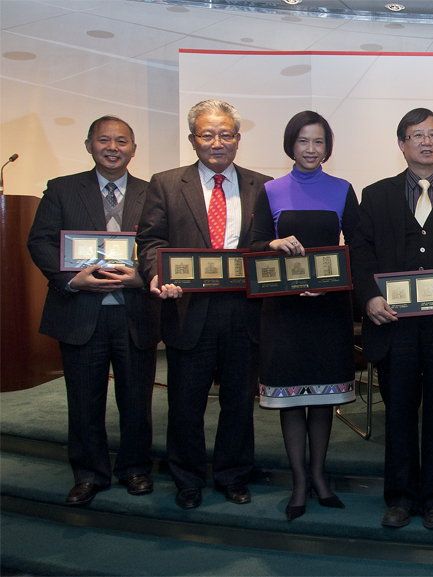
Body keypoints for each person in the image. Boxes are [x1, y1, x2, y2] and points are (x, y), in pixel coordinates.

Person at [349, 108, 433, 531]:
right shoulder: (376, 195)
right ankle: (401, 497)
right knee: (400, 413)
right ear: (402, 144)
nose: (426, 142)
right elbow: (360, 253)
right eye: (416, 135)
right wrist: (369, 297)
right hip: (394, 326)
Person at [137, 99, 271, 510]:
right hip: (187, 309)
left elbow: (265, 247)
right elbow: (151, 240)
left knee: (237, 402)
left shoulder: (261, 185)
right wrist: (156, 275)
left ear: (238, 139)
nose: (218, 143)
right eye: (208, 134)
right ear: (192, 139)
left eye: (226, 134)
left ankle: (233, 475)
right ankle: (188, 479)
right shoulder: (164, 182)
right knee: (185, 403)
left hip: (242, 311)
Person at [27, 116, 160, 506]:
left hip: (135, 311)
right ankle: (89, 474)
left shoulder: (153, 192)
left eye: (122, 140)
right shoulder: (62, 189)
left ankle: (135, 469)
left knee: (137, 399)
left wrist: (143, 277)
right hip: (81, 311)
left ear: (133, 149)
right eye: (104, 140)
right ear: (89, 145)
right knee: (83, 400)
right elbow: (40, 242)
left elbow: (162, 245)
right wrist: (71, 279)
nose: (113, 147)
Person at [249, 110, 358, 521]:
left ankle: (319, 475)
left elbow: (357, 247)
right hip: (284, 310)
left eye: (318, 142)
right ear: (290, 145)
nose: (311, 150)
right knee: (293, 399)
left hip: (328, 308)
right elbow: (255, 244)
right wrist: (274, 243)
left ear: (327, 146)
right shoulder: (272, 190)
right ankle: (298, 482)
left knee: (324, 398)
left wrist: (333, 284)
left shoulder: (343, 189)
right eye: (303, 142)